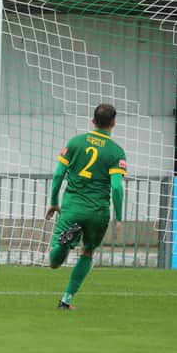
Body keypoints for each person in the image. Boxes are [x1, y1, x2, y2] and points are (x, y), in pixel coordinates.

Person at [45, 104, 126, 310]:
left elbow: (57, 175)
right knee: (88, 252)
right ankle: (66, 300)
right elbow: (116, 187)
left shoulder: (75, 143)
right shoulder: (116, 152)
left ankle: (65, 244)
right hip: (98, 212)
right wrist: (119, 217)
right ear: (113, 123)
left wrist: (54, 202)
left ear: (93, 120)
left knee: (54, 263)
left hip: (73, 206)